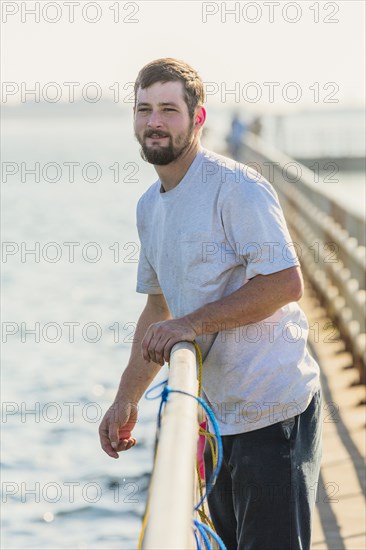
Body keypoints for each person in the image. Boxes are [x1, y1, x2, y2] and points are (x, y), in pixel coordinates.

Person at [99, 58, 322, 550]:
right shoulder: (150, 206)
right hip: (217, 419)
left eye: (169, 110)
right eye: (144, 109)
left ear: (198, 119)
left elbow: (285, 282)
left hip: (273, 409)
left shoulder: (236, 188)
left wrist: (193, 323)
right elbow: (159, 309)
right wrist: (126, 399)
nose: (154, 121)